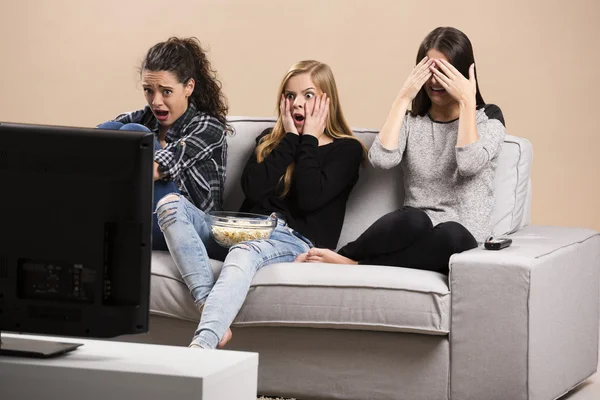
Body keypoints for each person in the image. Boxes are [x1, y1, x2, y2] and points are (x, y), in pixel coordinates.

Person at [156, 60, 366, 348]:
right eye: (290, 96)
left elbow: (309, 197)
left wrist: (310, 141)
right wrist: (290, 138)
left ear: (328, 101)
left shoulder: (347, 150)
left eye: (308, 95)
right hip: (240, 228)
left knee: (245, 251)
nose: (297, 104)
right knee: (169, 204)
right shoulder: (270, 141)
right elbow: (253, 189)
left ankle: (201, 347)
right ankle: (208, 305)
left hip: (291, 239)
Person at [296, 27, 506, 274]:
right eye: (429, 70)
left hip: (461, 239)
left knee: (451, 232)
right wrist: (403, 98)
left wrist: (467, 102)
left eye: (444, 71)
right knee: (411, 218)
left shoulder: (489, 118)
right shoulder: (412, 121)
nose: (435, 80)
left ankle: (354, 265)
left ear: (462, 73)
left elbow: (469, 163)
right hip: (415, 233)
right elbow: (381, 159)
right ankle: (346, 256)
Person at [97, 37, 229, 251]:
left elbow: (159, 167)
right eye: (148, 90)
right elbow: (93, 141)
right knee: (113, 130)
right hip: (142, 217)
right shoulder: (144, 117)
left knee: (134, 134)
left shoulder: (209, 127)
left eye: (166, 91)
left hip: (191, 229)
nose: (156, 101)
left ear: (188, 87)